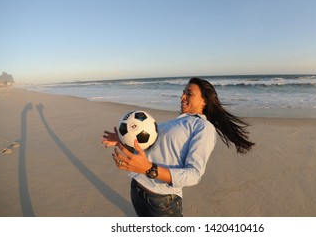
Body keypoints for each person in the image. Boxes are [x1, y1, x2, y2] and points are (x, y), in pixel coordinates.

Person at [102, 77, 254, 217]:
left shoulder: (203, 127)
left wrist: (149, 169)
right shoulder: (177, 121)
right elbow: (150, 151)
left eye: (189, 93)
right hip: (137, 188)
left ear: (204, 101)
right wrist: (122, 141)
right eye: (183, 93)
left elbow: (194, 174)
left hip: (162, 200)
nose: (182, 97)